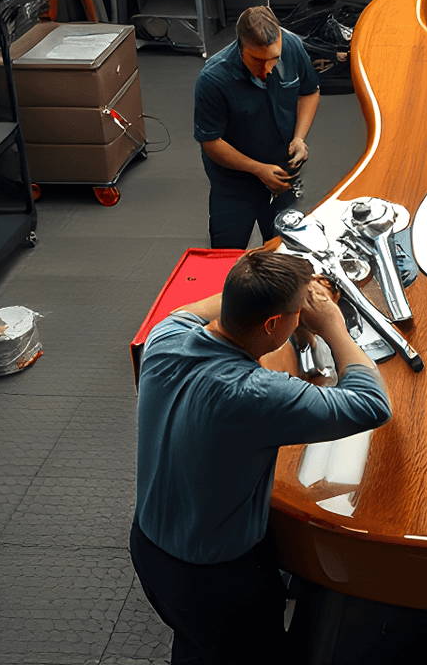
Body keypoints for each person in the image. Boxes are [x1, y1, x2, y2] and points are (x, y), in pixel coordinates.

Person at [132, 249, 391, 664]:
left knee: (198, 645)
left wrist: (284, 294)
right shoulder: (254, 394)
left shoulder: (168, 335)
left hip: (149, 548)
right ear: (274, 324)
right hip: (216, 579)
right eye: (295, 314)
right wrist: (331, 325)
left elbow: (222, 303)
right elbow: (371, 403)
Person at [195, 6, 321, 248]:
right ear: (241, 47)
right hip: (233, 183)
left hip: (285, 175)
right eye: (257, 60)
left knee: (286, 254)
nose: (268, 69)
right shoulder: (213, 79)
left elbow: (310, 92)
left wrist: (299, 138)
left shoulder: (292, 46)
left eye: (274, 58)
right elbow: (211, 142)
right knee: (226, 257)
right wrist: (258, 170)